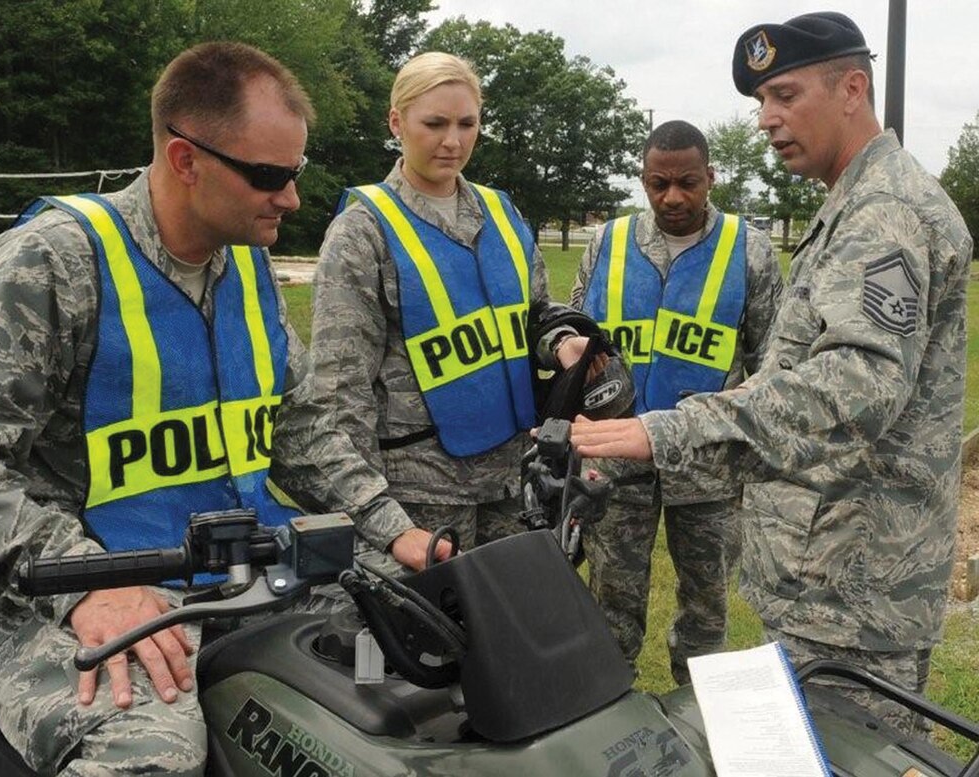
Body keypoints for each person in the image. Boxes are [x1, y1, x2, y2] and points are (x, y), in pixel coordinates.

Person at [0, 42, 404, 776]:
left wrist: (397, 530)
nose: (291, 198)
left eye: (292, 174)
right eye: (269, 176)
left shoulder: (247, 267)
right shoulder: (53, 264)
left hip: (240, 575)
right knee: (149, 757)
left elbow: (300, 428)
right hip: (60, 587)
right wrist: (89, 584)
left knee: (404, 682)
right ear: (185, 159)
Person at [569, 12, 972, 734]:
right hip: (825, 581)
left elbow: (856, 386)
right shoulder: (852, 204)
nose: (766, 120)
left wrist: (675, 427)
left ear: (852, 87)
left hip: (857, 594)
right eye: (761, 102)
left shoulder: (885, 211)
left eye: (784, 95)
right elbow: (787, 369)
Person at [287, 51, 592, 574]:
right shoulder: (364, 231)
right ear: (396, 122)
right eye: (434, 124)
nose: (453, 141)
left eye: (466, 123)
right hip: (418, 492)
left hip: (511, 478)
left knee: (517, 636)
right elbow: (343, 389)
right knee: (434, 647)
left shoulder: (501, 212)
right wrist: (375, 516)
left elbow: (535, 310)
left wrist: (562, 339)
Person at [570, 119, 782, 684]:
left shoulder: (749, 249)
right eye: (658, 183)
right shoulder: (606, 243)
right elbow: (573, 336)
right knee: (610, 607)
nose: (673, 197)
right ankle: (609, 715)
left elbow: (774, 364)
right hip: (615, 462)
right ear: (642, 179)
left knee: (706, 614)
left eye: (688, 182)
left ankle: (700, 722)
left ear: (710, 177)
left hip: (708, 465)